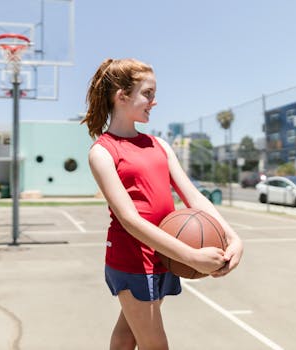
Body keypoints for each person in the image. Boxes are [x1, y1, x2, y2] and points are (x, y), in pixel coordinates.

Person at [82, 58, 243, 350]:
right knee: (155, 345)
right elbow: (129, 219)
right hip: (132, 260)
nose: (154, 102)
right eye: (148, 94)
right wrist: (191, 257)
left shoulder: (160, 146)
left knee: (128, 334)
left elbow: (194, 197)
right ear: (122, 96)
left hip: (162, 255)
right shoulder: (103, 152)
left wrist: (232, 236)